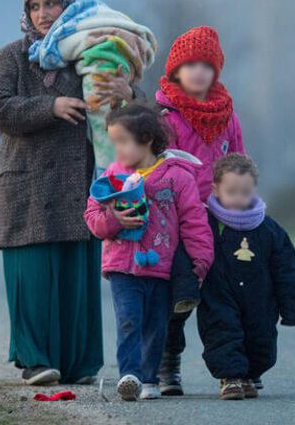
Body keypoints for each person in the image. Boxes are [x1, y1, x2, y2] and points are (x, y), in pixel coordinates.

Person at [0, 0, 140, 386]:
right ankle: (35, 360)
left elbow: (123, 117)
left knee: (75, 278)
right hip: (27, 186)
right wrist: (49, 106)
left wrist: (128, 93)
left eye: (50, 4)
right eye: (34, 6)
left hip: (79, 184)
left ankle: (79, 364)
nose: (42, 14)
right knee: (31, 275)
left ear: (67, 7)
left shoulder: (89, 52)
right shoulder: (11, 57)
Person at [84, 104, 214, 401]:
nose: (117, 149)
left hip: (161, 267)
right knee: (129, 320)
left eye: (123, 141)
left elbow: (193, 221)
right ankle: (129, 375)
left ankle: (150, 379)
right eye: (114, 141)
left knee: (157, 325)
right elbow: (92, 216)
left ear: (147, 140)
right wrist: (114, 221)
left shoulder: (177, 177)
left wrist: (200, 260)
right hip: (121, 266)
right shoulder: (111, 178)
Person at [154, 26, 246, 395]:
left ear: (216, 71)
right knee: (178, 298)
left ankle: (233, 371)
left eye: (206, 64)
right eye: (189, 64)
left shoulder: (229, 117)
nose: (198, 71)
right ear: (176, 69)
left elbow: (239, 163)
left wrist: (242, 205)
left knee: (223, 300)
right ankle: (166, 365)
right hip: (177, 222)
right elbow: (157, 172)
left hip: (221, 221)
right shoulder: (166, 118)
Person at [197, 154, 295, 400]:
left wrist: (292, 309)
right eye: (231, 191)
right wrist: (185, 291)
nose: (238, 198)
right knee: (222, 332)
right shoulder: (205, 224)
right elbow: (190, 256)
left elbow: (286, 271)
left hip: (260, 298)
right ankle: (231, 378)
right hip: (218, 295)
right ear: (215, 188)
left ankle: (249, 374)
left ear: (254, 189)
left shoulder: (269, 229)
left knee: (261, 339)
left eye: (245, 191)